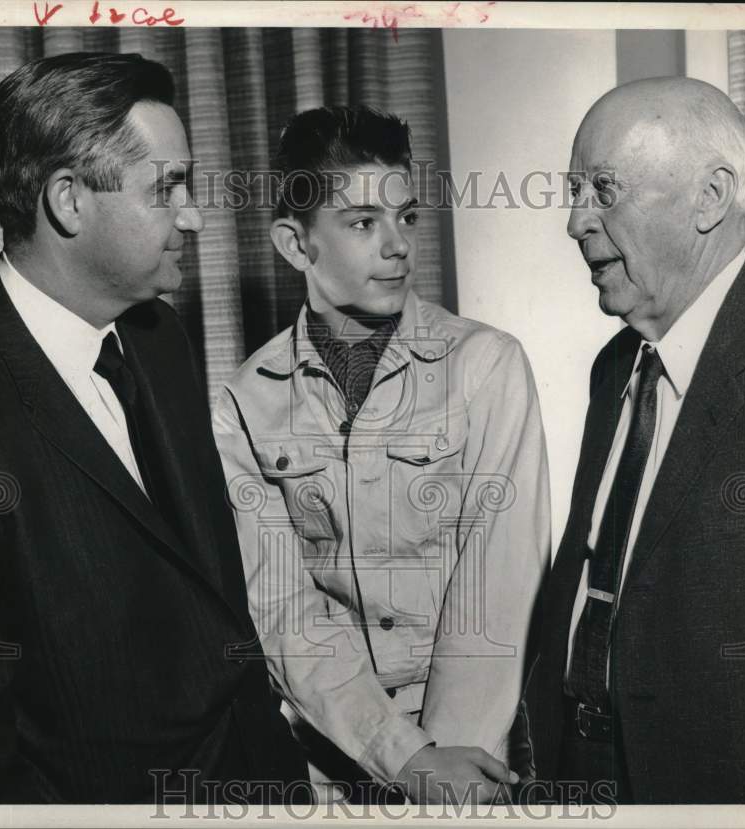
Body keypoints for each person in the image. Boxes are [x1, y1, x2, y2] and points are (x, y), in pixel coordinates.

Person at [0, 52, 308, 804]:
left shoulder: (159, 339)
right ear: (68, 201)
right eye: (166, 188)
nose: (194, 213)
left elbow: (215, 603)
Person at [212, 105, 552, 804]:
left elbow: (501, 585)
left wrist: (446, 775)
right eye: (363, 223)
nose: (397, 245)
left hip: (474, 761)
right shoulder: (242, 404)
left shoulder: (487, 366)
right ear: (295, 243)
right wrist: (403, 758)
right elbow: (281, 611)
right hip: (324, 763)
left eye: (408, 217)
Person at [517, 77, 745, 804]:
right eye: (575, 192)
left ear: (710, 197)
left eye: (603, 189)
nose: (575, 222)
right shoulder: (616, 364)